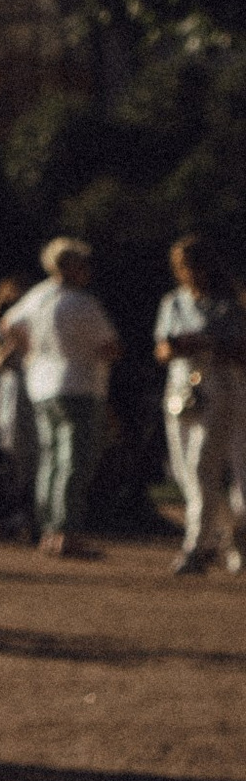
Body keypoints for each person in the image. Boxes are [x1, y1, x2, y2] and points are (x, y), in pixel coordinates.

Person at [0, 238, 120, 557]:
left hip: (42, 385)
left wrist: (31, 352)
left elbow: (7, 323)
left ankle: (49, 530)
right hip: (78, 385)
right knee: (74, 461)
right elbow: (109, 347)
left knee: (50, 460)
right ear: (69, 266)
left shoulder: (38, 296)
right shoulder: (81, 303)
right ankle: (68, 532)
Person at [155, 235, 246, 577]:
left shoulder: (230, 304)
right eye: (182, 267)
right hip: (180, 387)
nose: (188, 273)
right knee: (185, 472)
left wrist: (207, 343)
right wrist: (178, 346)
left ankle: (197, 545)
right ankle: (231, 534)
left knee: (201, 466)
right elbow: (162, 350)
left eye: (192, 266)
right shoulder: (173, 303)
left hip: (219, 386)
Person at [0, 279, 37, 539]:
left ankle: (34, 513)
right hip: (12, 388)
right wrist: (12, 343)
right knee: (13, 446)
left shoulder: (34, 324)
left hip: (35, 384)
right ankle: (14, 511)